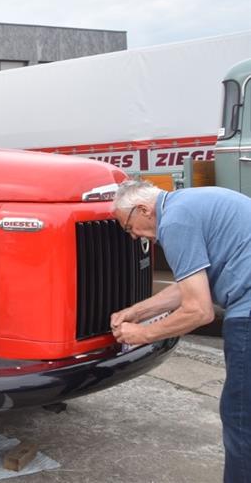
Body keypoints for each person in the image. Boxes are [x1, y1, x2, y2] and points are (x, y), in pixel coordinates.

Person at [110, 179, 250, 483]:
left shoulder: (174, 221)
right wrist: (136, 312)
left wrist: (142, 335)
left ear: (143, 209)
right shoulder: (189, 204)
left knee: (242, 417)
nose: (133, 236)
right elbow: (190, 284)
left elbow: (199, 310)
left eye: (129, 227)